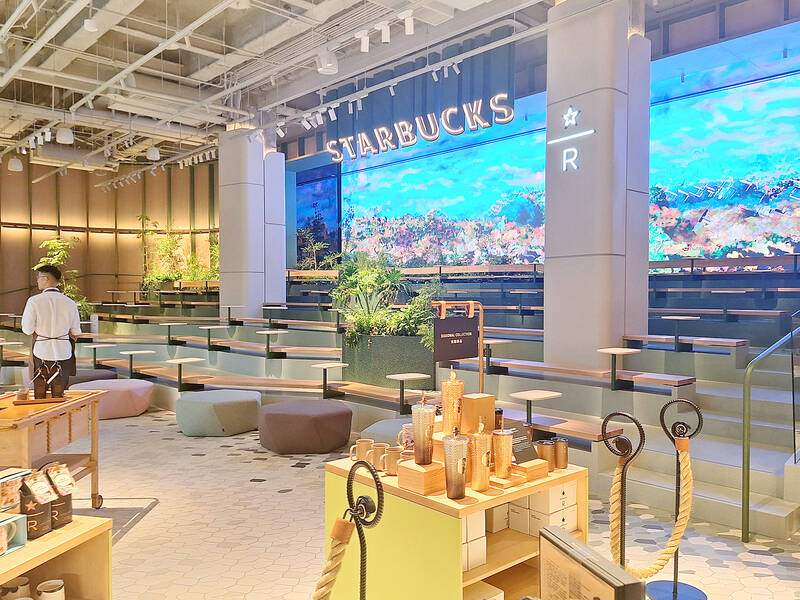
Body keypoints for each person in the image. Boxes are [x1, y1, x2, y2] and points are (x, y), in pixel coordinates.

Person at [21, 265, 81, 398]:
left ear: (46, 279)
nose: (37, 281)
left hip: (41, 350)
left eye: (38, 277)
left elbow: (27, 329)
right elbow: (76, 331)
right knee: (60, 393)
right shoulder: (70, 302)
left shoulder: (33, 301)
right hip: (64, 351)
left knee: (40, 393)